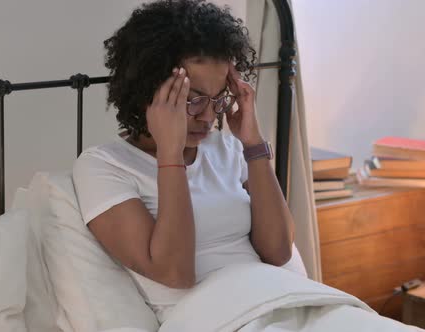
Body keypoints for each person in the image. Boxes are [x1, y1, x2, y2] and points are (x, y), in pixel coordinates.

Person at [72, 0, 295, 317]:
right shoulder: (103, 166)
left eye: (218, 99)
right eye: (192, 100)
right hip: (212, 317)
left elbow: (278, 251)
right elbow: (175, 274)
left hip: (276, 298)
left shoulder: (229, 150)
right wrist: (170, 154)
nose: (208, 116)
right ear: (147, 90)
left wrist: (253, 143)